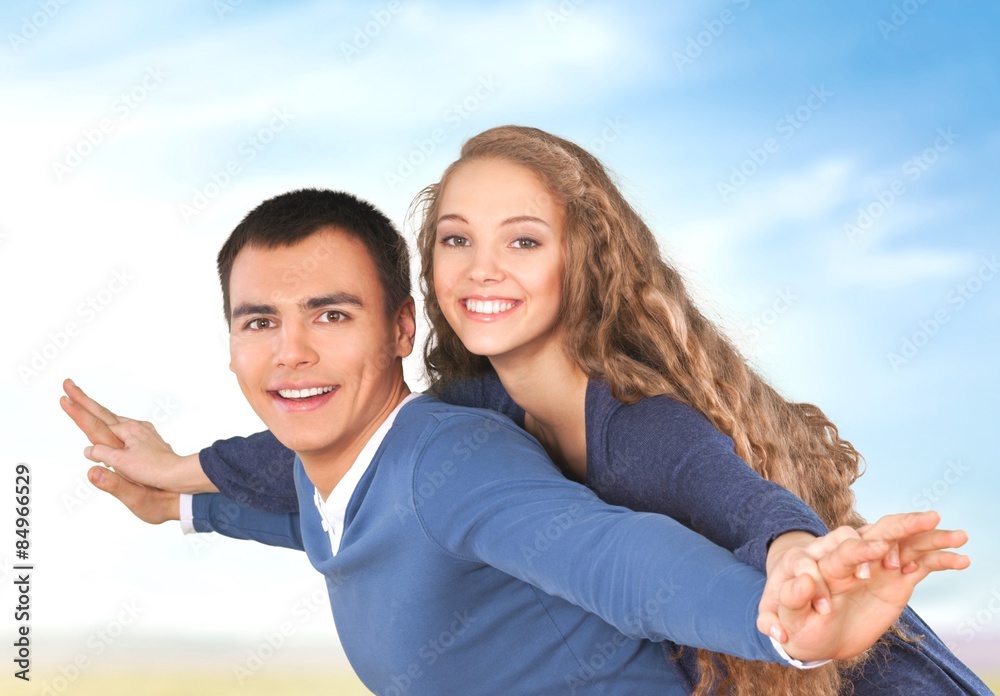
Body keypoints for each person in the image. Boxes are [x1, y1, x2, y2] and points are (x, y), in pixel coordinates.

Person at [63, 131, 987, 695]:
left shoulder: (627, 427)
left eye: (524, 240)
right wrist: (177, 484)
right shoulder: (460, 409)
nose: (483, 268)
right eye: (458, 240)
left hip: (862, 672)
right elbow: (313, 476)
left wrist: (786, 609)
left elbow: (639, 550)